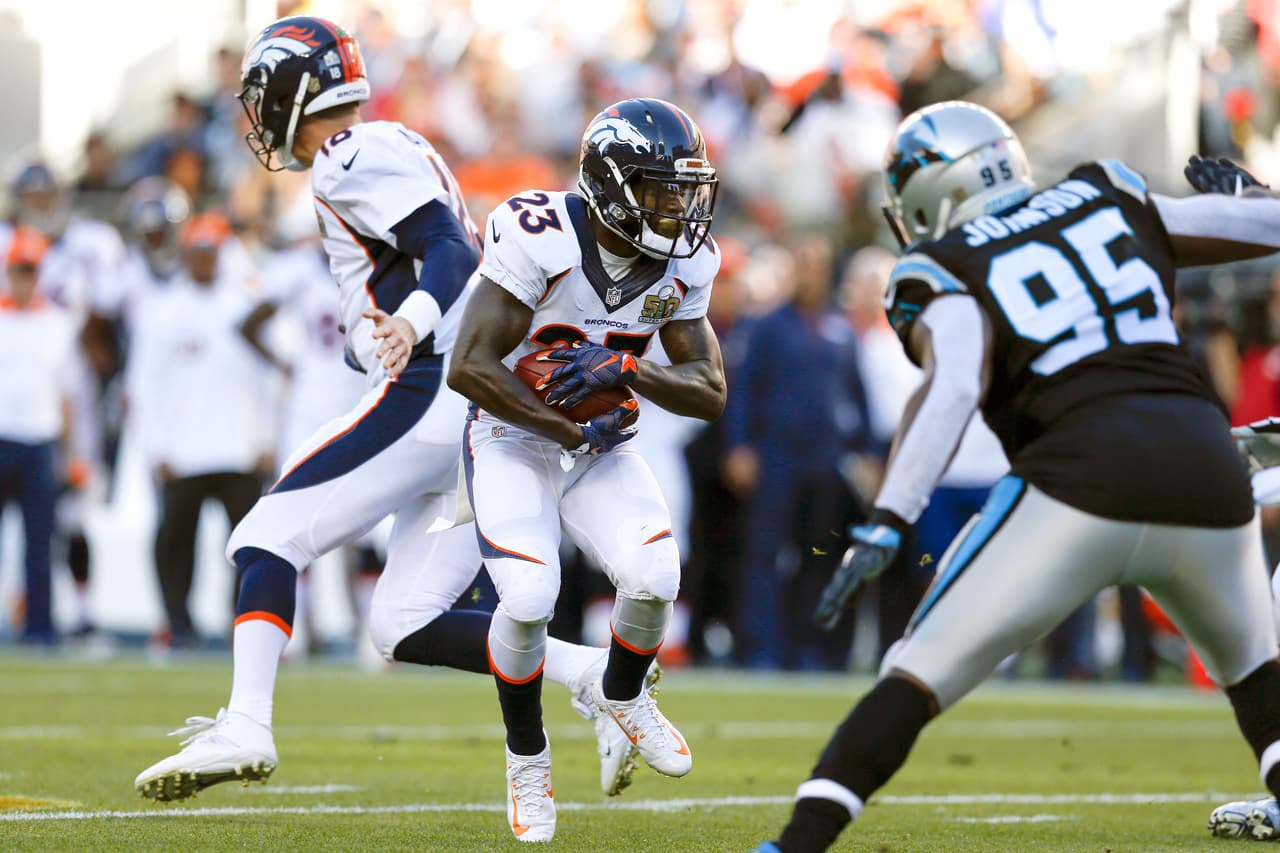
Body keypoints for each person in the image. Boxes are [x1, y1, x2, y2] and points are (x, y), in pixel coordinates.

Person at [133, 16, 651, 805]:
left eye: (264, 95)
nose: (257, 114)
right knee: (401, 621)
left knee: (267, 536)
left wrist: (408, 322)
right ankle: (596, 675)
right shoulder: (388, 144)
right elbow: (412, 263)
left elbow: (449, 249)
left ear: (294, 92)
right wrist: (374, 331)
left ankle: (246, 722)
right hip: (464, 409)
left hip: (434, 388)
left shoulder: (348, 153)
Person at [751, 101, 1280, 853]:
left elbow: (952, 385)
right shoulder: (1107, 191)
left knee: (917, 670)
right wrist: (1256, 196)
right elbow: (1267, 225)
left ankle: (796, 844)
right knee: (1257, 678)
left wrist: (888, 519)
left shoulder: (940, 264)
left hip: (1079, 480)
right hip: (1206, 466)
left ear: (930, 196)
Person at [447, 97, 725, 842]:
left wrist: (627, 367)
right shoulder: (540, 235)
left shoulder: (685, 263)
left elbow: (708, 391)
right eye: (661, 190)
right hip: (511, 435)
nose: (679, 209)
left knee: (656, 575)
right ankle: (526, 759)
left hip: (598, 444)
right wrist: (568, 425)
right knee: (529, 595)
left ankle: (622, 692)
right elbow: (468, 365)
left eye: (685, 191)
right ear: (611, 185)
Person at [128, 213, 274, 648]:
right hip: (182, 448)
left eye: (211, 253)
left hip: (239, 446)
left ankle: (241, 622)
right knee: (174, 540)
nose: (204, 261)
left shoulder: (246, 304)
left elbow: (268, 377)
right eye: (198, 253)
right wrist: (155, 448)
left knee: (248, 543)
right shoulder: (162, 310)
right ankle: (178, 622)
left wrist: (266, 438)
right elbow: (143, 383)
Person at [0, 227, 80, 645]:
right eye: (19, 270)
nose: (24, 279)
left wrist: (71, 453)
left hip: (39, 441)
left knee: (40, 543)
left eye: (30, 271)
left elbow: (66, 393)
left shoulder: (57, 324)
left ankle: (39, 627)